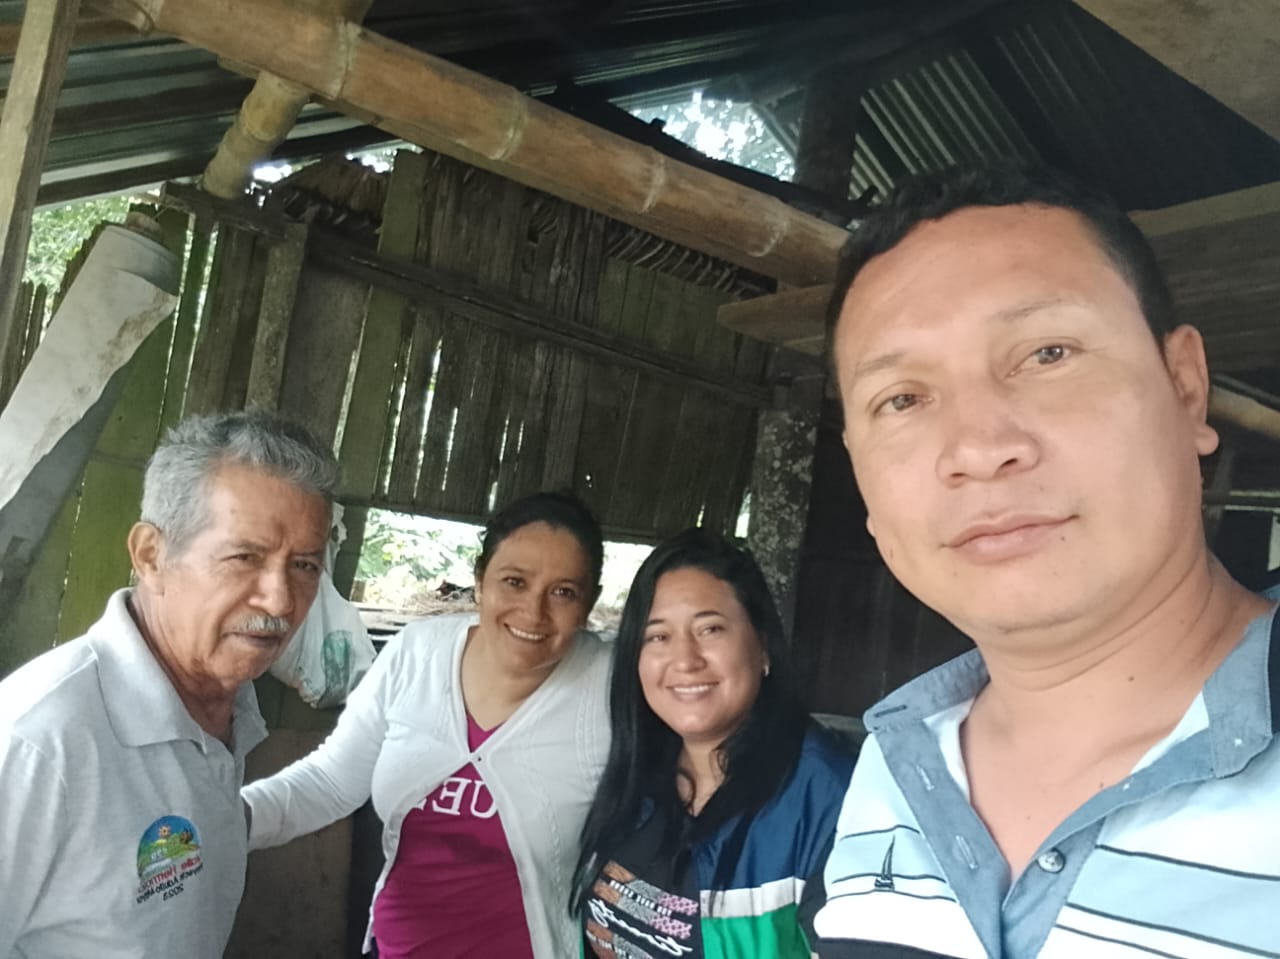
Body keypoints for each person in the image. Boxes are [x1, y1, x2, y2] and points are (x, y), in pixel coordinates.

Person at [811, 162, 1280, 958]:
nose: (978, 447)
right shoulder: (889, 773)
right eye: (902, 398)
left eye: (1047, 352)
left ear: (1185, 387)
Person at [0, 410, 338, 958]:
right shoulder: (38, 740)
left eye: (303, 565)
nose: (279, 600)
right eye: (244, 557)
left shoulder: (230, 702)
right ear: (151, 556)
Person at [242, 490, 611, 958]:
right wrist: (225, 821)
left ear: (589, 602)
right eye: (514, 581)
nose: (533, 612)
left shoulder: (610, 686)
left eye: (563, 592)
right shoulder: (418, 653)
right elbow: (331, 781)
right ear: (480, 581)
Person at [573, 527, 855, 958]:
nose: (685, 660)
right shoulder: (637, 775)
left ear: (763, 647)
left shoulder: (834, 801)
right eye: (658, 636)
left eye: (710, 629)